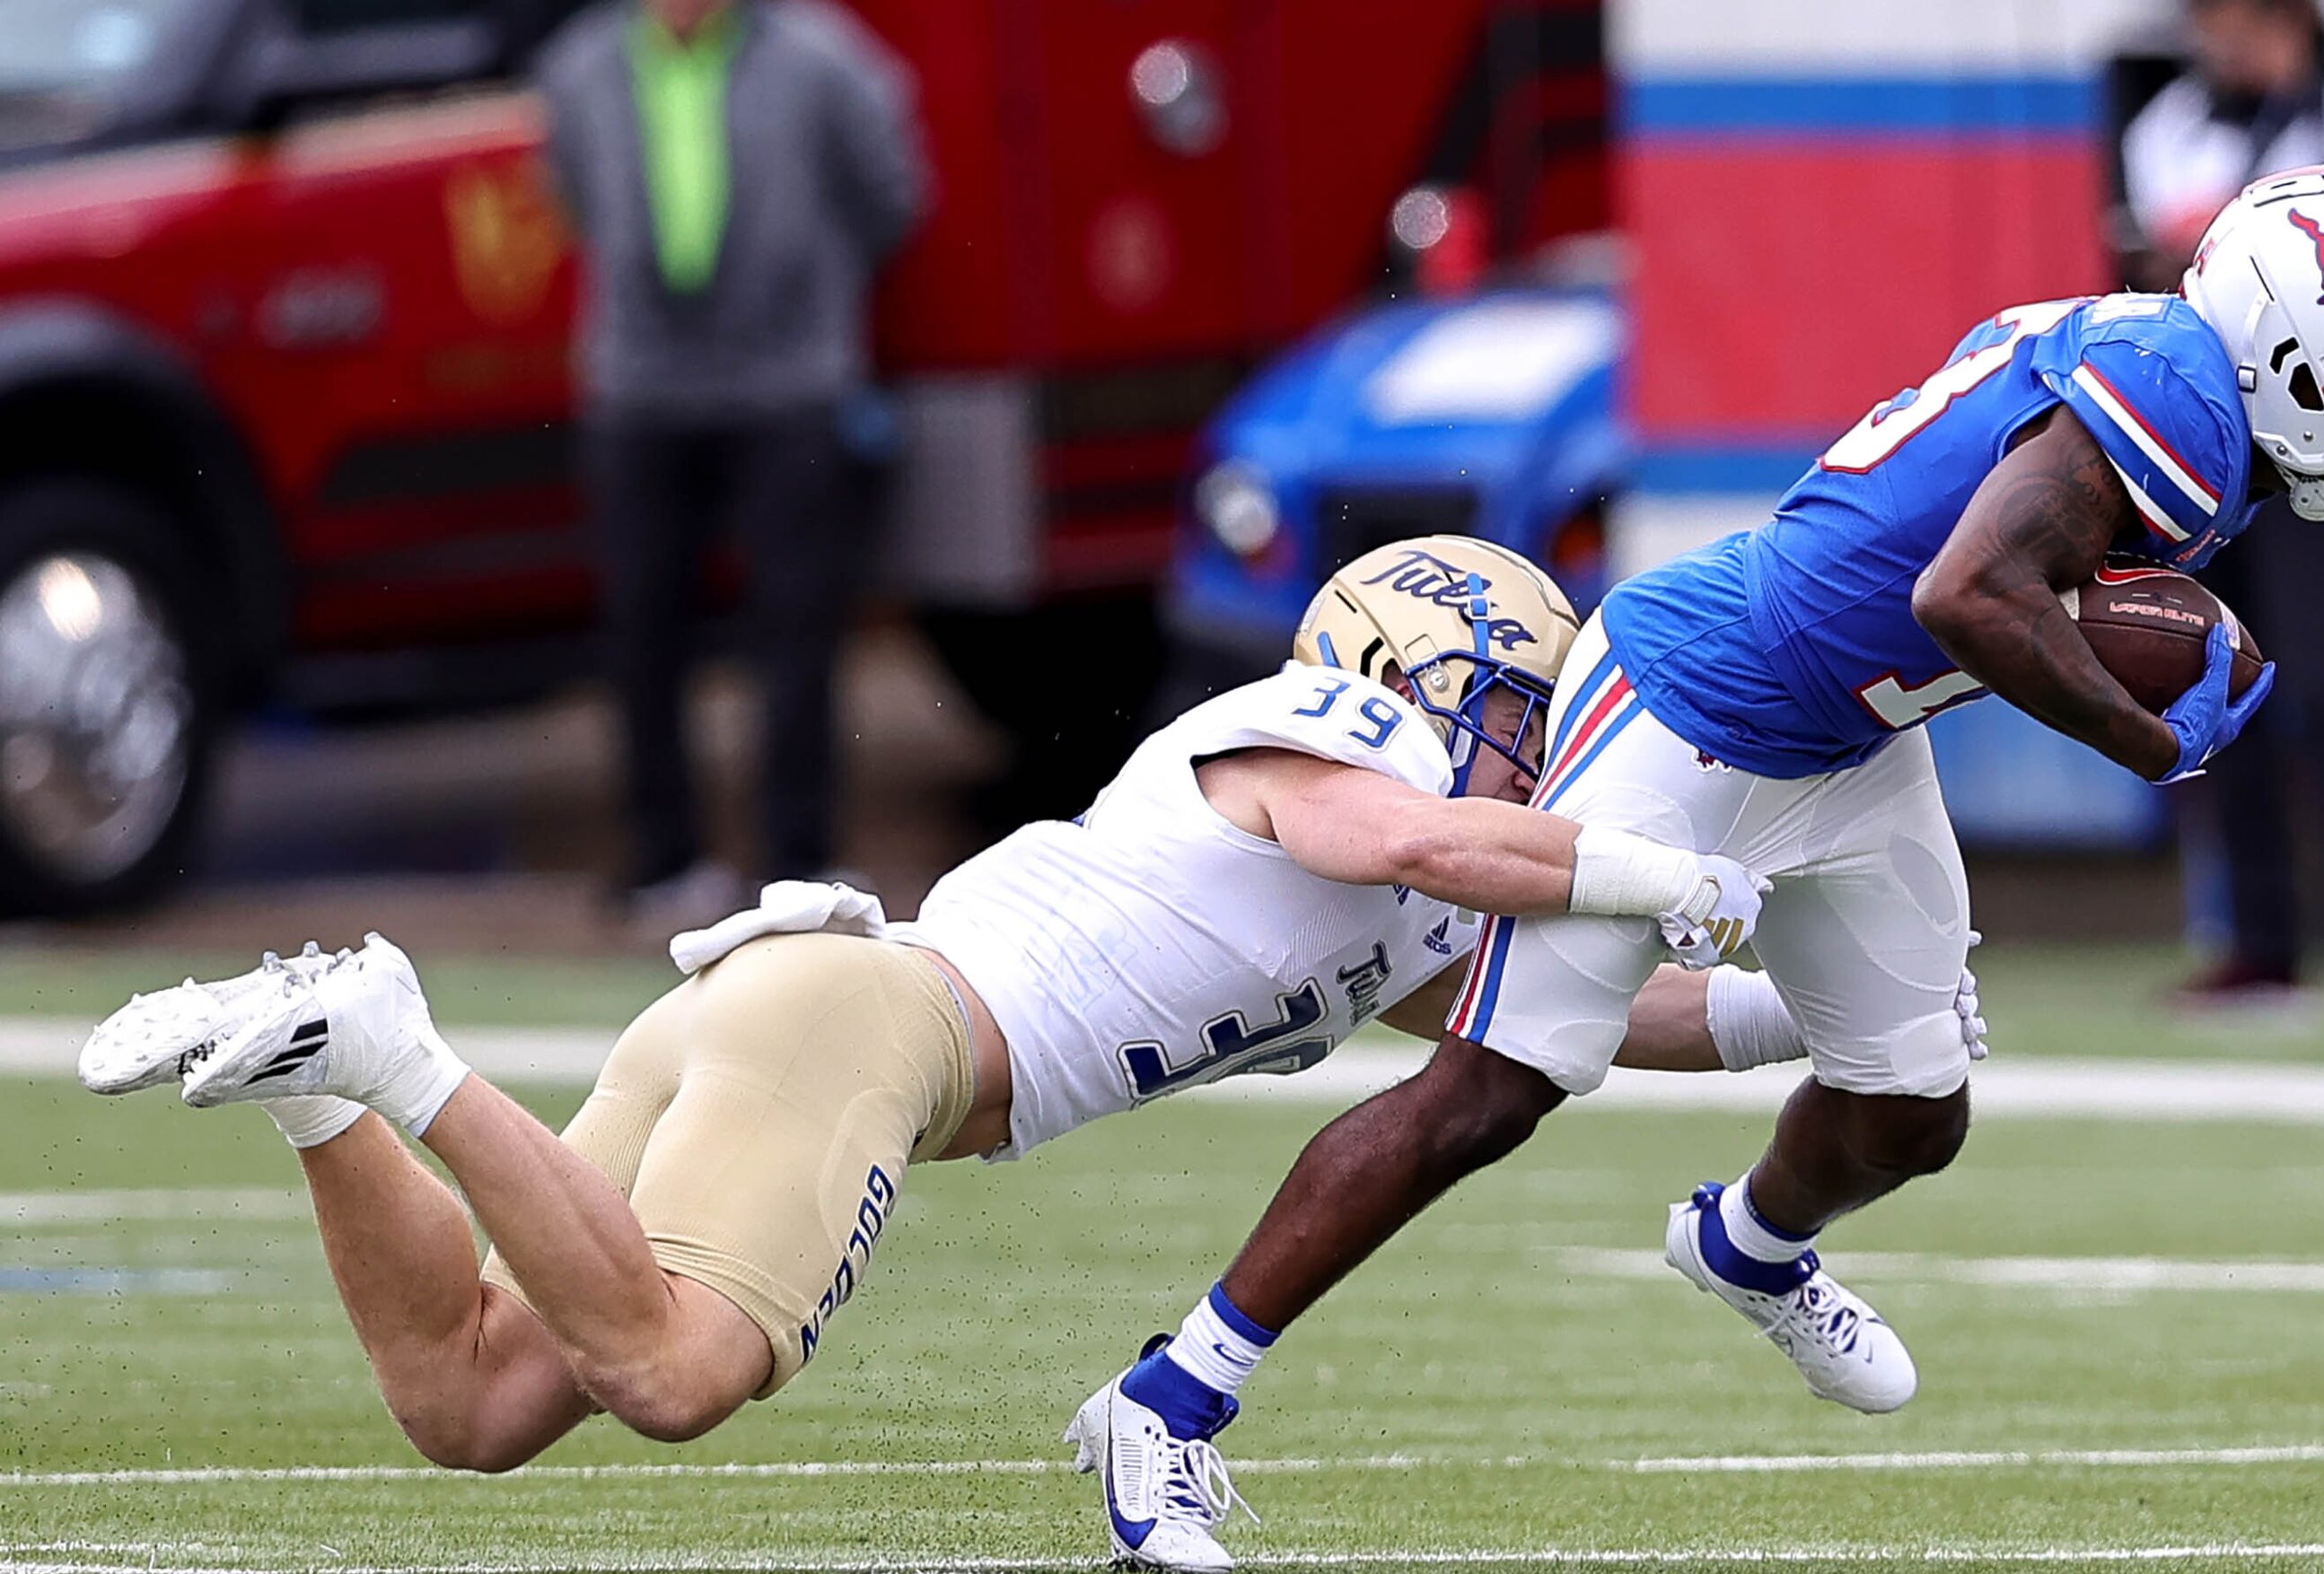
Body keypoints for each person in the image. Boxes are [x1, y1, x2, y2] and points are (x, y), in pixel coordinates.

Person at [1074, 168, 2324, 1573]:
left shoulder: (2175, 382)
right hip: (1694, 698)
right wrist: (2143, 733)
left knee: (1910, 1106)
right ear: (2302, 352)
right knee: (1486, 1093)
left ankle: (1749, 1241)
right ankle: (1166, 1397)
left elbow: (1978, 581)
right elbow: (1966, 593)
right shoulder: (2175, 390)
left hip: (1856, 734)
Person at [75, 539, 1875, 1480]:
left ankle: (329, 1087)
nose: (1528, 743)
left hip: (814, 1013)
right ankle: (394, 1036)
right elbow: (1414, 828)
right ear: (1431, 673)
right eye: (1518, 705)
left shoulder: (1400, 892)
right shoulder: (1352, 748)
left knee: (476, 1400)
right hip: (875, 1030)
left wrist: (1816, 1018)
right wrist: (1643, 869)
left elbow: (1550, 1019)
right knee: (677, 1374)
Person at [537, 0, 932, 921]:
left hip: (788, 384)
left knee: (797, 628)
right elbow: (572, 195)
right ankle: (661, 858)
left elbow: (893, 194)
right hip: (638, 387)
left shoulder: (822, 54)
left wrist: (806, 285)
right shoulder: (581, 65)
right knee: (640, 628)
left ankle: (799, 857)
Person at [2114, 0, 2324, 1011]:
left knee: (2320, 688)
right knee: (2211, 678)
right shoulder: (2166, 123)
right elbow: (2144, 272)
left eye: (2225, 15)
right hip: (2196, 440)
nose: (2209, 37)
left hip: (2313, 445)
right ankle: (2258, 942)